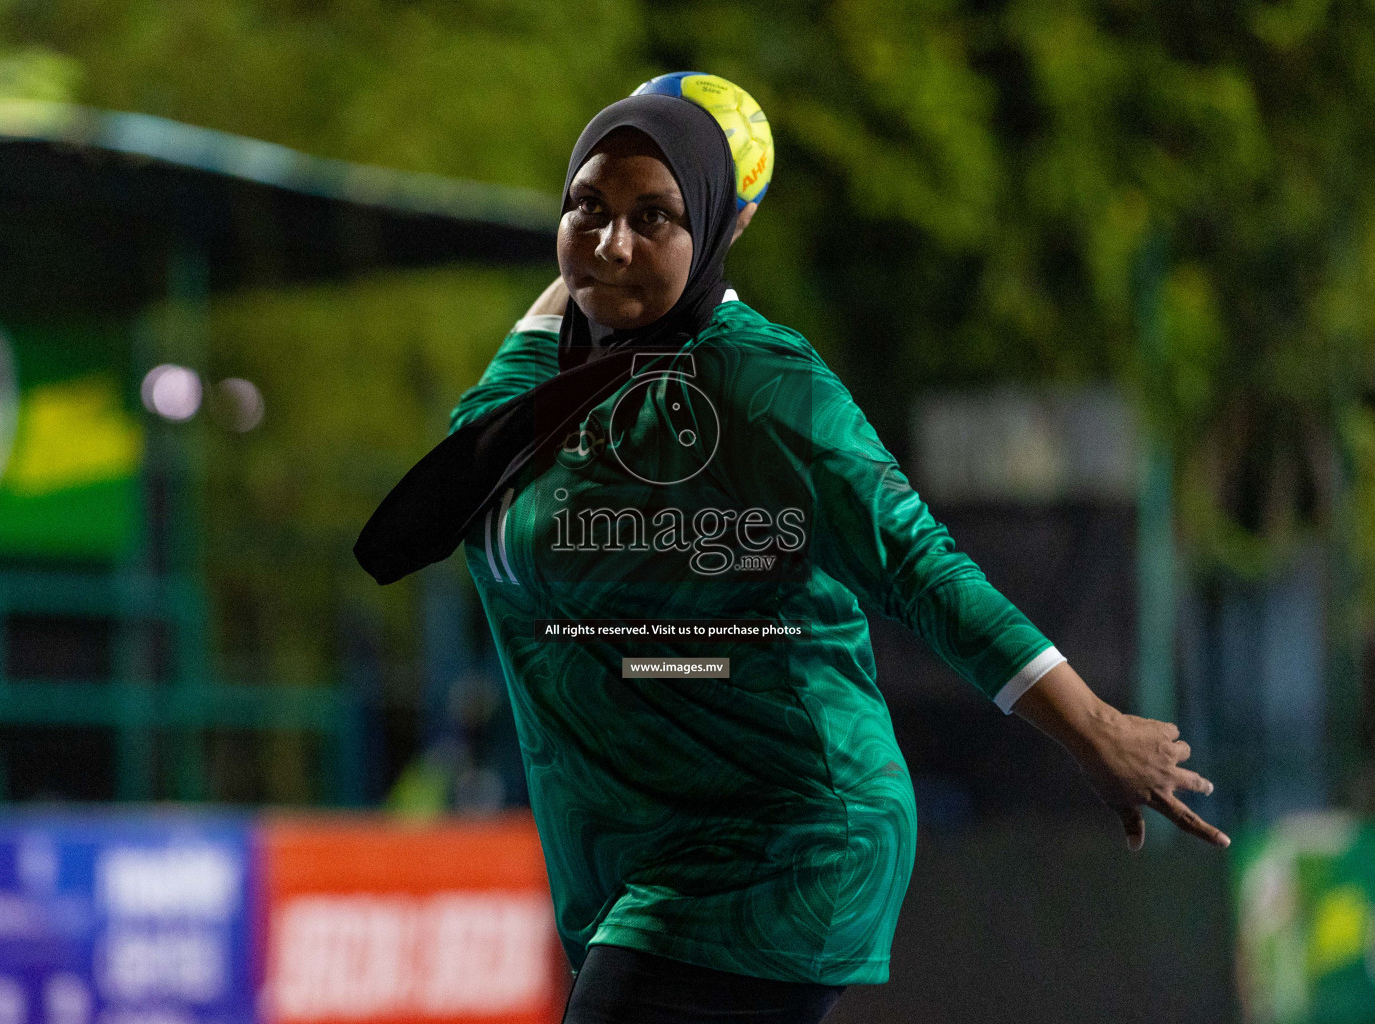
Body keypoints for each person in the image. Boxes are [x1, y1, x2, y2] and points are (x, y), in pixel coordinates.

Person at [361, 90, 1228, 1024]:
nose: (612, 241)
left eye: (655, 216)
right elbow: (461, 477)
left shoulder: (759, 383)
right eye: (588, 207)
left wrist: (1091, 730)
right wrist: (643, 157)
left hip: (783, 833)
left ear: (719, 232)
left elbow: (919, 565)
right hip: (645, 837)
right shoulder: (551, 385)